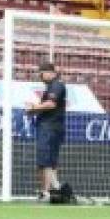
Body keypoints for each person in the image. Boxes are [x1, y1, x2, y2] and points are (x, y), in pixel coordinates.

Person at [26, 61, 67, 201]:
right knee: (50, 161)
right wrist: (36, 110)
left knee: (45, 161)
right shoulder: (52, 86)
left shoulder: (56, 85)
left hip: (49, 127)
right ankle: (53, 190)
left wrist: (33, 108)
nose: (40, 76)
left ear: (50, 72)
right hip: (52, 127)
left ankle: (46, 191)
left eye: (42, 73)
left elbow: (50, 104)